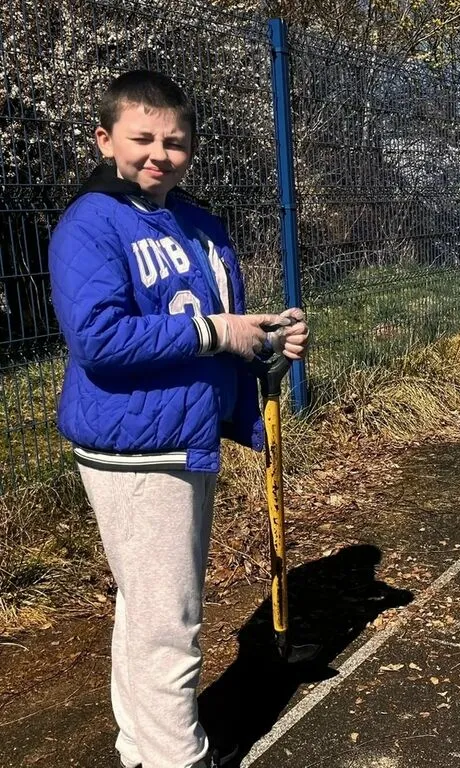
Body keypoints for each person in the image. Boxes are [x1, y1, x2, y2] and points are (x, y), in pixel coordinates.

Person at [48, 70, 309, 768]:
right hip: (138, 444)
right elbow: (99, 339)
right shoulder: (90, 225)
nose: (159, 154)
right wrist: (218, 332)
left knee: (147, 608)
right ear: (105, 140)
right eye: (142, 139)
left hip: (183, 434)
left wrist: (263, 340)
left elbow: (218, 324)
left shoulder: (196, 222)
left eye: (175, 142)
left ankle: (144, 747)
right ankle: (178, 758)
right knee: (171, 620)